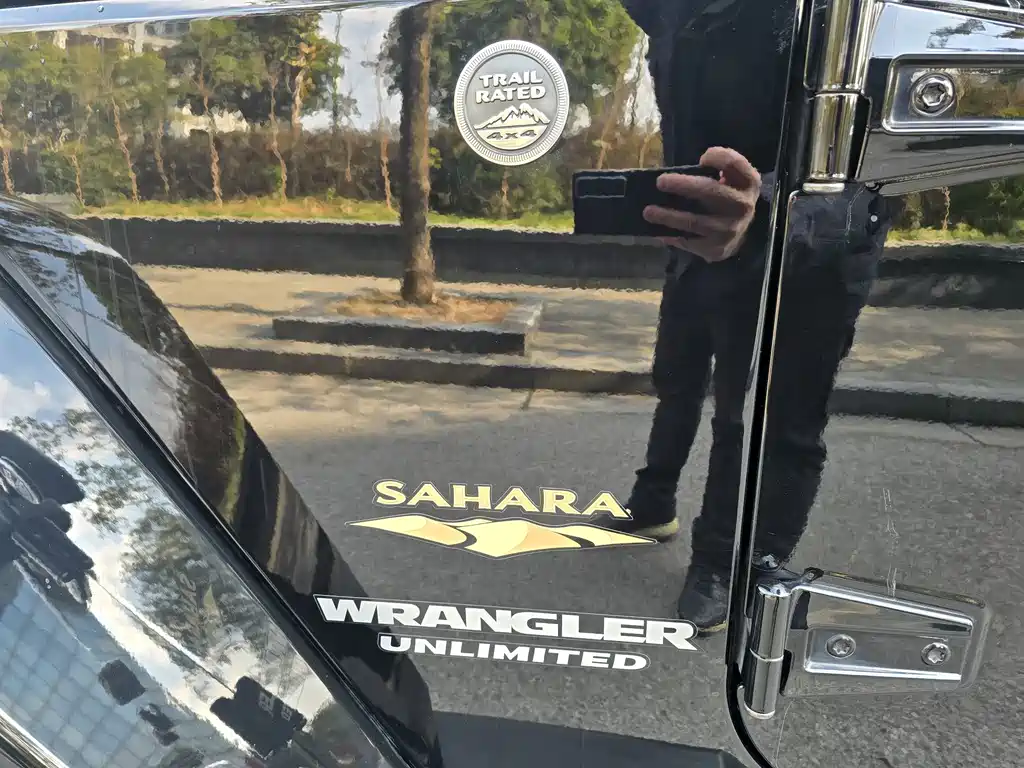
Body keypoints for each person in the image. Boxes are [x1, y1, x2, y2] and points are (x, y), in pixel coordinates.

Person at [608, 0, 891, 632]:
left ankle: (730, 564)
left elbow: (868, 174)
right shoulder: (670, 10)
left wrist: (763, 209)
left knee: (763, 421)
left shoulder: (838, 15)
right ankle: (653, 502)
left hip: (809, 257)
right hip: (701, 234)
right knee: (676, 376)